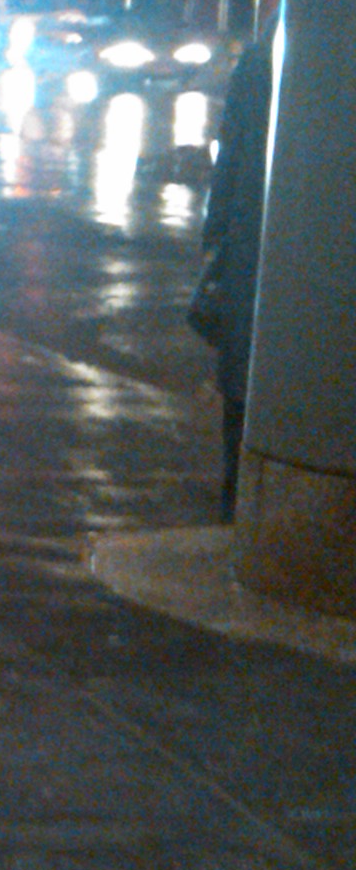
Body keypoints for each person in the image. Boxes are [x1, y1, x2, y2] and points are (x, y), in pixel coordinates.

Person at [199, 39, 273, 522]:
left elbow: (231, 154)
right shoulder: (266, 55)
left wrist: (215, 237)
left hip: (251, 246)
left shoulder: (263, 53)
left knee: (243, 386)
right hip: (261, 246)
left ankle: (236, 508)